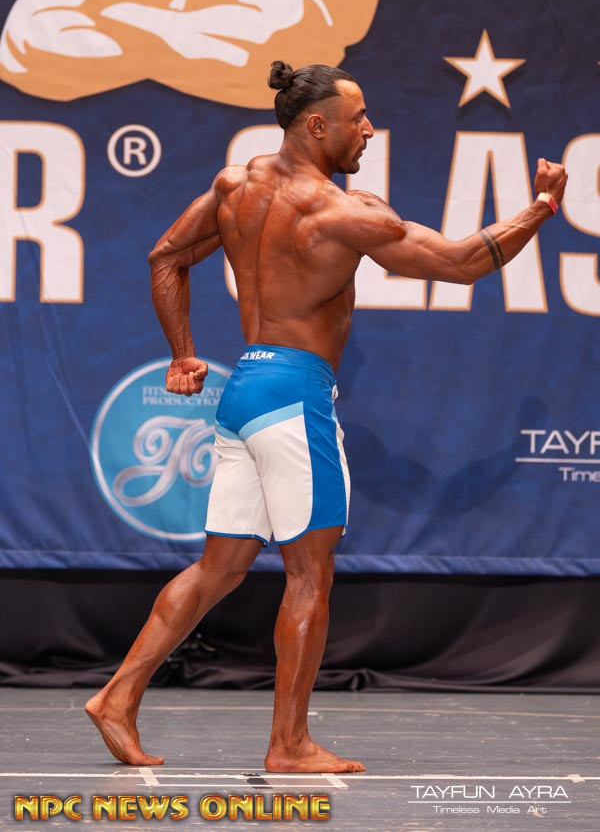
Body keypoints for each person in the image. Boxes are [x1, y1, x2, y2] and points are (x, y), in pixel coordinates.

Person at [85, 60, 568, 773]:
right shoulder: (345, 214)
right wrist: (542, 206)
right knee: (310, 576)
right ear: (317, 125)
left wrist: (184, 355)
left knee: (219, 567)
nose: (369, 129)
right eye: (358, 118)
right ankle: (289, 745)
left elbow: (166, 257)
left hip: (245, 388)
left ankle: (117, 697)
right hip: (293, 397)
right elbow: (465, 262)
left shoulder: (236, 185)